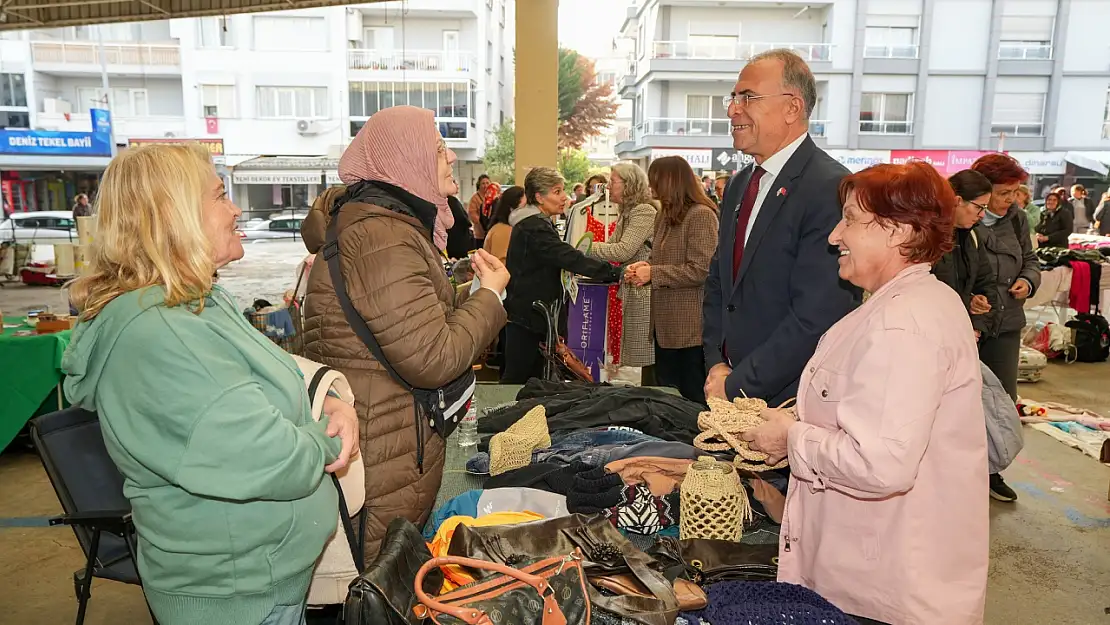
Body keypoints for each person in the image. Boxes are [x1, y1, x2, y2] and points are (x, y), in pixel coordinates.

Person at [61, 144, 360, 625]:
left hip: (264, 583)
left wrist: (333, 403)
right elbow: (271, 456)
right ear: (173, 217)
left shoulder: (199, 301)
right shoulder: (162, 334)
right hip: (237, 598)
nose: (236, 208)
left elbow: (274, 379)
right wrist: (328, 437)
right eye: (220, 196)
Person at [743, 161, 988, 625]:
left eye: (851, 220)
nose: (836, 235)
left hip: (884, 592)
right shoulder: (906, 305)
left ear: (898, 232)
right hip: (877, 574)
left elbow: (880, 463)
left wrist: (791, 439)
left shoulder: (903, 325)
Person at [301, 106, 508, 559]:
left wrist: (472, 293)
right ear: (405, 161)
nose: (451, 157)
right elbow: (432, 358)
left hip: (386, 445)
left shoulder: (385, 226)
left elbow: (411, 325)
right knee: (376, 587)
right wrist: (489, 298)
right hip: (382, 459)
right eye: (437, 149)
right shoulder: (383, 237)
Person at [703, 48, 859, 406]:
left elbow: (817, 315)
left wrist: (738, 384)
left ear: (792, 107)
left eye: (748, 97)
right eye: (733, 97)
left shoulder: (830, 188)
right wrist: (715, 365)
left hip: (791, 402)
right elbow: (718, 284)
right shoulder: (741, 184)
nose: (732, 109)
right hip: (726, 389)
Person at [502, 167, 622, 383]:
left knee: (530, 379)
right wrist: (614, 272)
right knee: (519, 381)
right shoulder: (534, 226)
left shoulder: (536, 223)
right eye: (557, 192)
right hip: (529, 318)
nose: (564, 197)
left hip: (530, 316)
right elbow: (568, 257)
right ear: (539, 197)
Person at [970, 153, 1039, 503]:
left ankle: (991, 471)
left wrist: (1028, 281)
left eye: (1016, 192)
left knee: (1001, 401)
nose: (1011, 199)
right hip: (969, 326)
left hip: (1007, 323)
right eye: (1004, 192)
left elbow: (1030, 259)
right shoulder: (965, 218)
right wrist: (970, 299)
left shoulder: (1018, 219)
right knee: (961, 400)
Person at [626, 156, 718, 403]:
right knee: (668, 396)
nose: (650, 186)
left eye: (654, 179)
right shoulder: (664, 215)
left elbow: (702, 269)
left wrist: (654, 273)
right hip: (665, 326)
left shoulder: (701, 215)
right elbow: (663, 258)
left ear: (670, 181)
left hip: (690, 329)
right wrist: (645, 267)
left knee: (691, 396)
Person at [587, 162, 657, 372]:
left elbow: (622, 251)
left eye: (613, 181)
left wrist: (584, 247)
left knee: (647, 362)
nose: (608, 186)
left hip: (643, 294)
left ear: (629, 185)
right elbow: (612, 247)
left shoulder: (643, 211)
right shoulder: (627, 212)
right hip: (634, 290)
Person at [933, 169, 1000, 343]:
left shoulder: (972, 237)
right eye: (979, 207)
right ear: (958, 201)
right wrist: (967, 302)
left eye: (985, 208)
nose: (983, 214)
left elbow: (986, 285)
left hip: (965, 336)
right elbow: (921, 291)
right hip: (932, 337)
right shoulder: (926, 239)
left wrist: (977, 326)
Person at [482, 185, 524, 263]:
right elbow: (502, 263)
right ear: (512, 209)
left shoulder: (508, 228)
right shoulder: (503, 230)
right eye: (524, 207)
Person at [445, 195, 475, 259]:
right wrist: (468, 224)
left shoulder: (443, 200)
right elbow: (461, 217)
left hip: (450, 237)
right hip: (459, 237)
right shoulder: (452, 200)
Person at [468, 174, 492, 247]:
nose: (485, 185)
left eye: (487, 183)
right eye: (483, 183)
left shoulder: (492, 197)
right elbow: (472, 214)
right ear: (479, 185)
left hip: (491, 233)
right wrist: (484, 223)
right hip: (480, 235)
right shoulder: (474, 198)